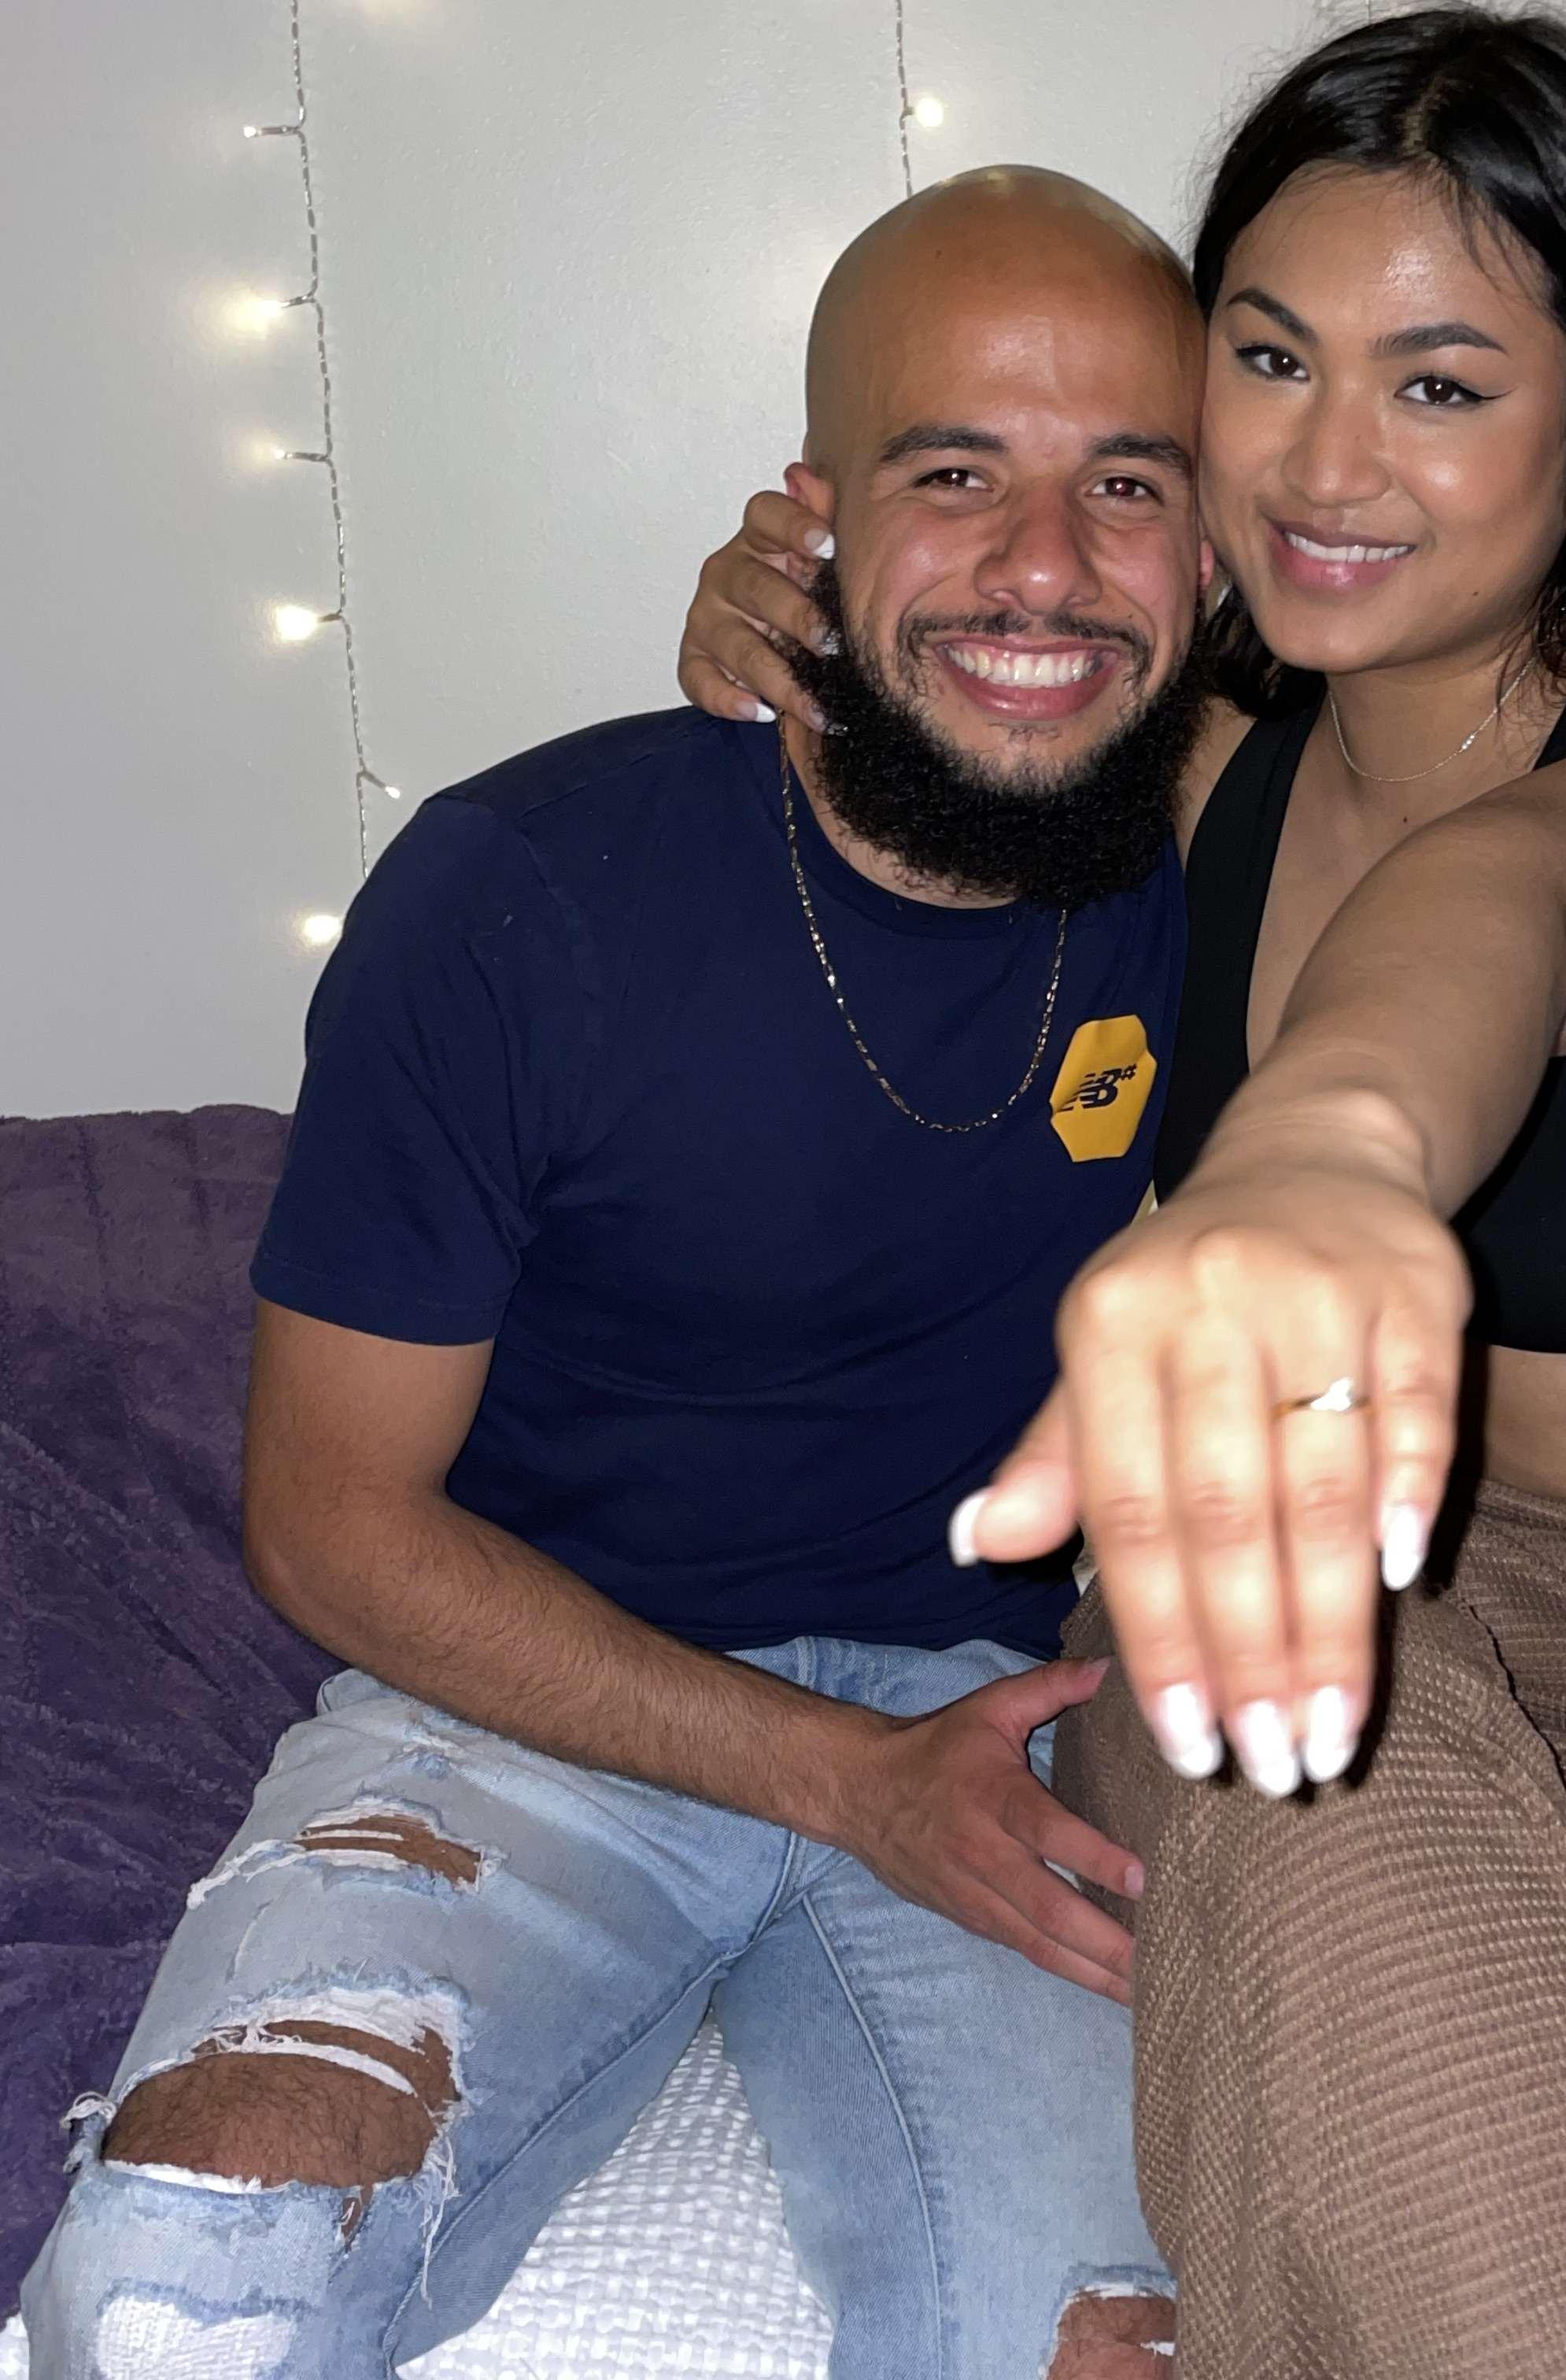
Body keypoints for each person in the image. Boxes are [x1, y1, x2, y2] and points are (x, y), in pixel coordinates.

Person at [675, 12, 1566, 2378]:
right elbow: (938, 675)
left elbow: (1522, 902)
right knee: (1304, 1755)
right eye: (1274, 356)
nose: (1322, 461)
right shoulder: (1204, 760)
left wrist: (1326, 1149)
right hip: (1264, 1588)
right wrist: (782, 614)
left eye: (1442, 385)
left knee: (1542, 2295)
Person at [23, 168, 1200, 2380]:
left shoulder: (1222, 874)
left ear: (1210, 550)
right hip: (525, 1694)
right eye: (956, 474)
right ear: (814, 521)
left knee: (1088, 2349)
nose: (1047, 566)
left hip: (982, 1713)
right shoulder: (517, 894)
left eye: (1126, 484)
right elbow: (329, 1520)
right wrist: (831, 1776)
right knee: (181, 2300)